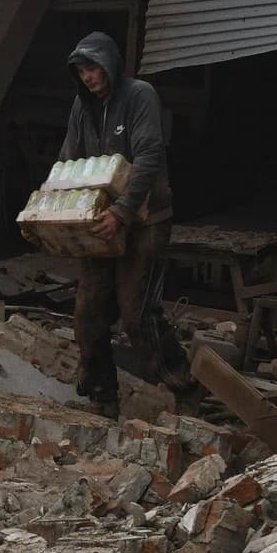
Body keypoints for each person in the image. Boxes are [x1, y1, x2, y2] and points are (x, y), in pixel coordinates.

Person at [58, 31, 188, 415]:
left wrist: (123, 211)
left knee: (136, 312)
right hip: (101, 223)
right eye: (81, 71)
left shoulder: (139, 95)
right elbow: (69, 160)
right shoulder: (81, 108)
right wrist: (58, 206)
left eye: (93, 68)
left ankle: (180, 383)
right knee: (89, 310)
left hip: (144, 219)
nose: (88, 77)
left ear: (110, 64)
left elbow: (148, 156)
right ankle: (102, 396)